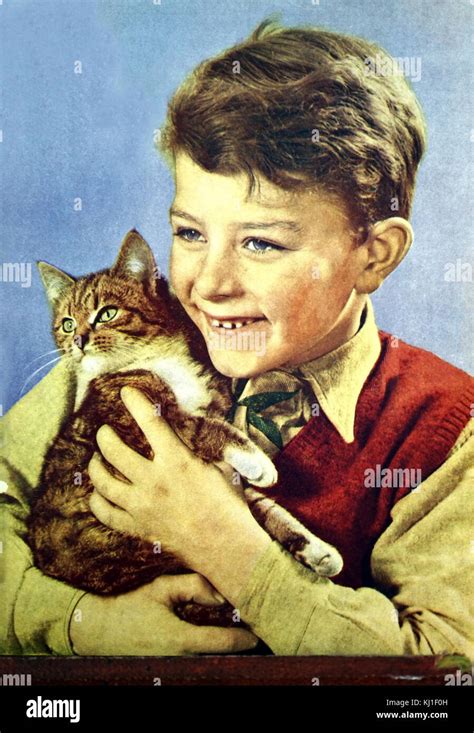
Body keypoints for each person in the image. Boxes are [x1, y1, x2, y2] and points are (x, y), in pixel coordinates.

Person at [1, 19, 473, 657]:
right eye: (191, 234)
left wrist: (232, 549)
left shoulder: (446, 428)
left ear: (374, 255)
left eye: (261, 243)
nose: (209, 285)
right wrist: (82, 622)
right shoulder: (131, 354)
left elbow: (447, 665)